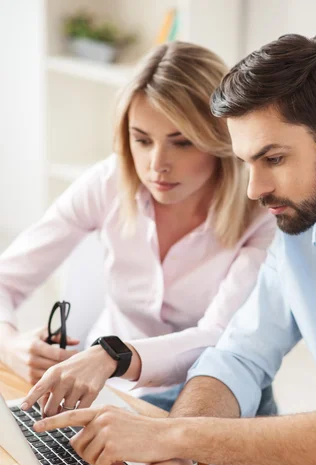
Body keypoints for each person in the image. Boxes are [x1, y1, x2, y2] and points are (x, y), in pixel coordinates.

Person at [28, 32, 316, 465]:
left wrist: (172, 437)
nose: (255, 190)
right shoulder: (300, 228)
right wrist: (178, 450)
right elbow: (238, 355)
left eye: (273, 159)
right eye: (246, 162)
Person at [0, 41, 275, 413]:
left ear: (220, 139)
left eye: (182, 143)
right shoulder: (109, 182)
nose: (156, 164)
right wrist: (9, 344)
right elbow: (7, 278)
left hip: (208, 396)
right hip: (106, 388)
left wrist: (113, 356)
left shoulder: (260, 212)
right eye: (142, 140)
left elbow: (219, 339)